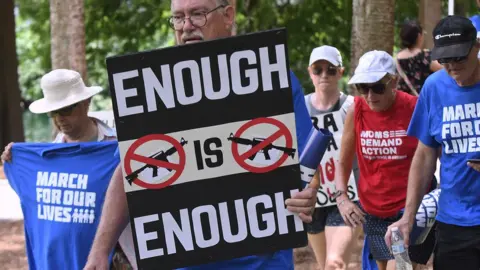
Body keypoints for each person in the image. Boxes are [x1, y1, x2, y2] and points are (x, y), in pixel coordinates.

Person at [84, 0, 318, 269]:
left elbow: (306, 165)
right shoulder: (151, 88)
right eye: (178, 18)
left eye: (198, 14)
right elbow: (129, 169)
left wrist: (308, 193)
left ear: (228, 15)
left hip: (264, 261)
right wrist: (100, 251)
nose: (186, 27)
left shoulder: (274, 78)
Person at [386, 15, 480, 270]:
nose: (452, 66)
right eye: (444, 59)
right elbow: (425, 154)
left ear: (477, 47)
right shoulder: (434, 87)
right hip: (454, 222)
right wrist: (408, 217)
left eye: (459, 57)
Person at [334, 50, 436, 270]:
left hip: (410, 210)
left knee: (399, 267)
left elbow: (433, 155)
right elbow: (343, 161)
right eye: (363, 88)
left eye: (378, 87)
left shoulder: (414, 108)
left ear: (394, 81)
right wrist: (342, 197)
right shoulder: (357, 109)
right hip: (375, 212)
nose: (370, 96)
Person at [303, 45, 361, 270]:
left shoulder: (353, 106)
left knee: (335, 263)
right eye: (318, 70)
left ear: (341, 72)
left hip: (347, 196)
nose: (324, 75)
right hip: (312, 199)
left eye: (331, 69)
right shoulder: (300, 108)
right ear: (310, 72)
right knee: (324, 263)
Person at [395, 20, 442, 96]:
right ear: (419, 36)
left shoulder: (397, 58)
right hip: (421, 102)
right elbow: (446, 71)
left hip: (404, 102)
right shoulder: (424, 56)